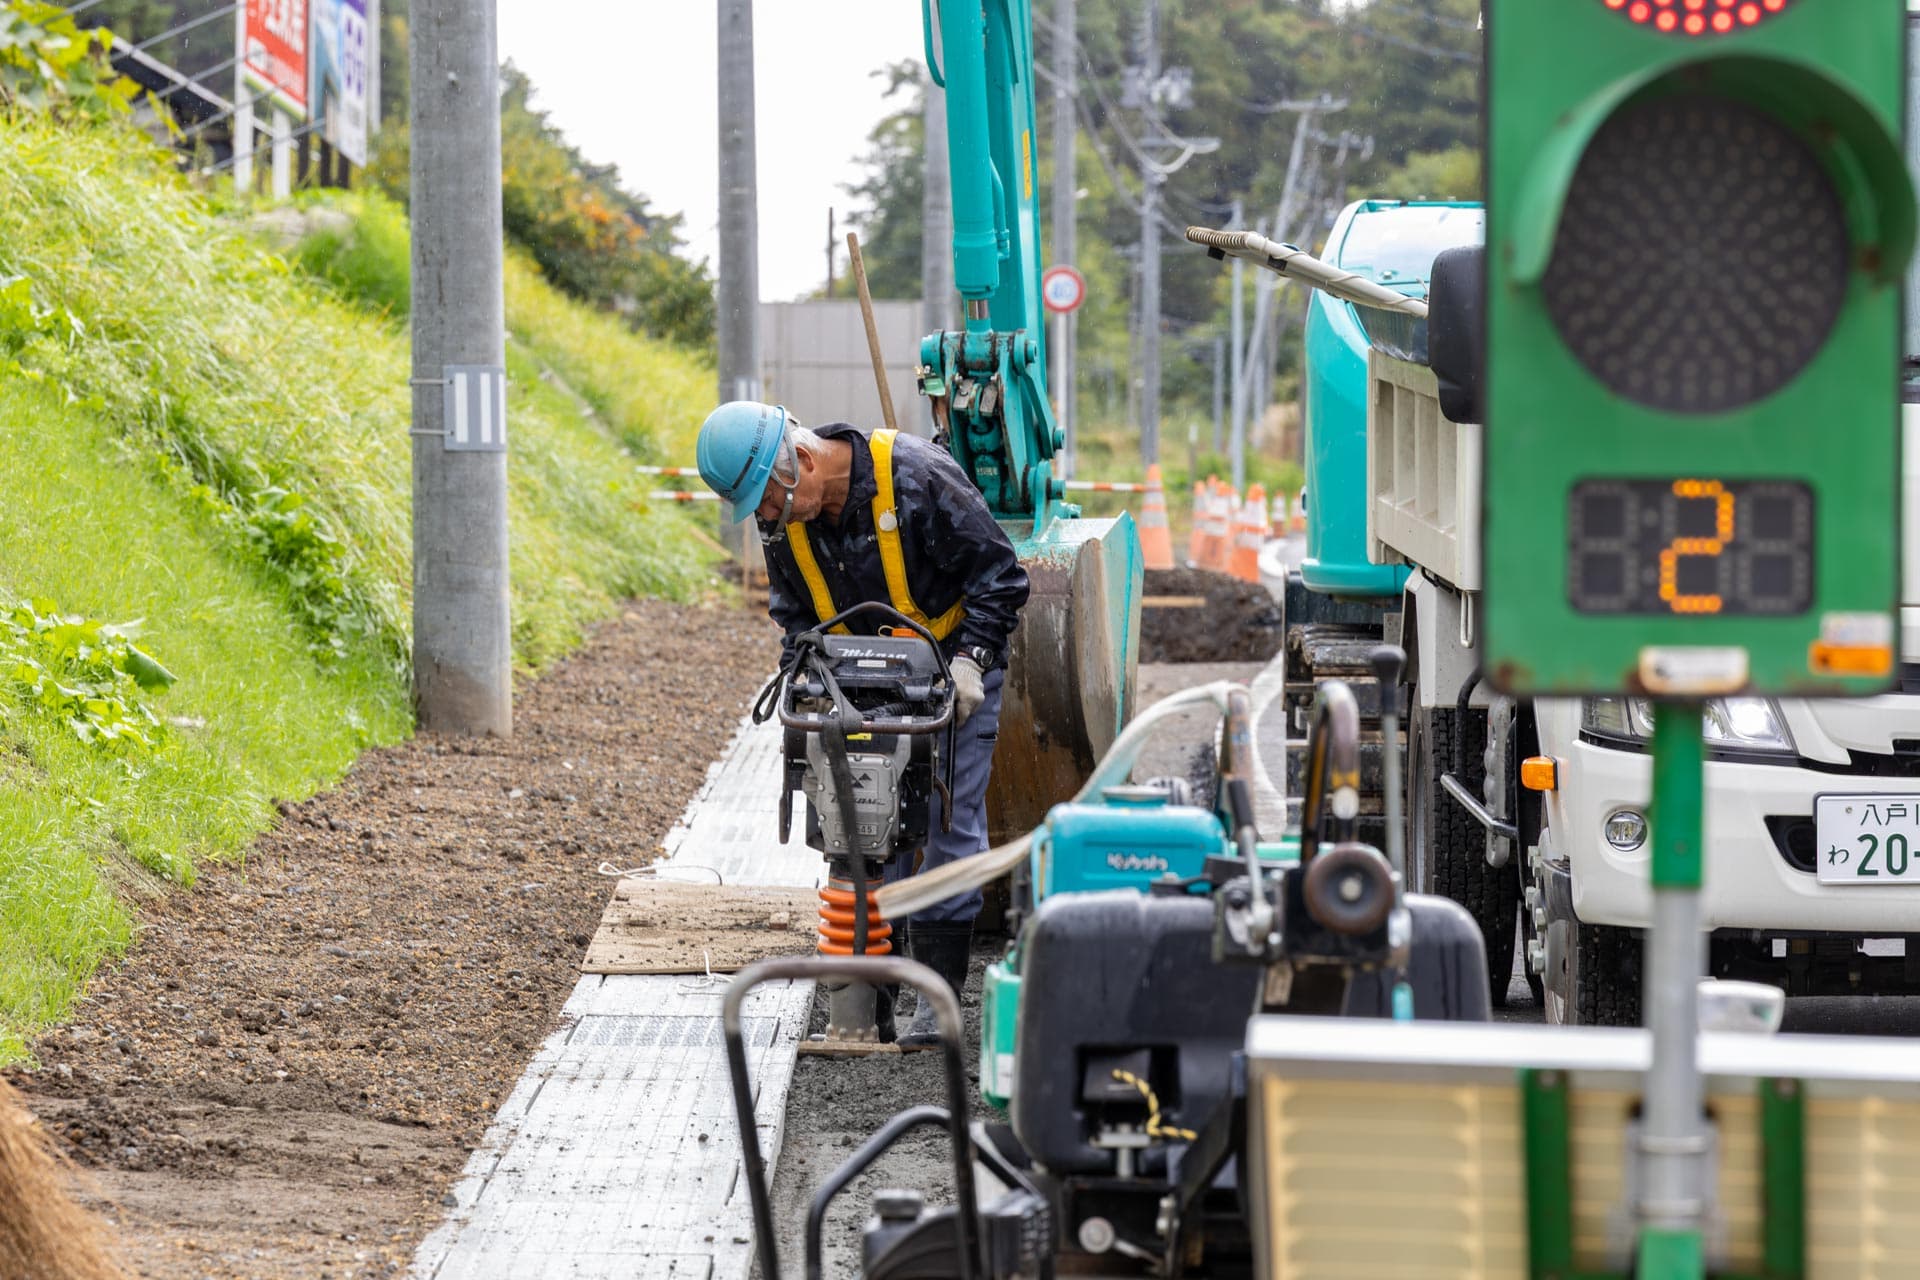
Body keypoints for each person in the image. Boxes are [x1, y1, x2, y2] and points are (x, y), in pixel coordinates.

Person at [696, 401, 1029, 1049]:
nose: (767, 517)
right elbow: (793, 611)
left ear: (805, 461)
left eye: (768, 500)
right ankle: (870, 998)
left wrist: (971, 663)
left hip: (946, 672)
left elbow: (1000, 576)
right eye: (757, 509)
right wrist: (802, 673)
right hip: (854, 679)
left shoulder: (919, 478)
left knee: (945, 825)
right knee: (866, 829)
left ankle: (937, 1001)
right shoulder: (784, 516)